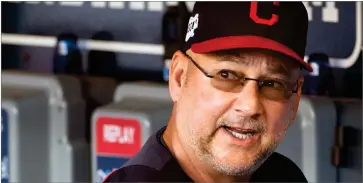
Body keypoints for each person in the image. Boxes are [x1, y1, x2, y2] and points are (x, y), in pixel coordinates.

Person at [103, 2, 313, 182]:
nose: (250, 105)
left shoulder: (283, 175)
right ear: (179, 77)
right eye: (227, 75)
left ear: (295, 100)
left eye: (273, 84)